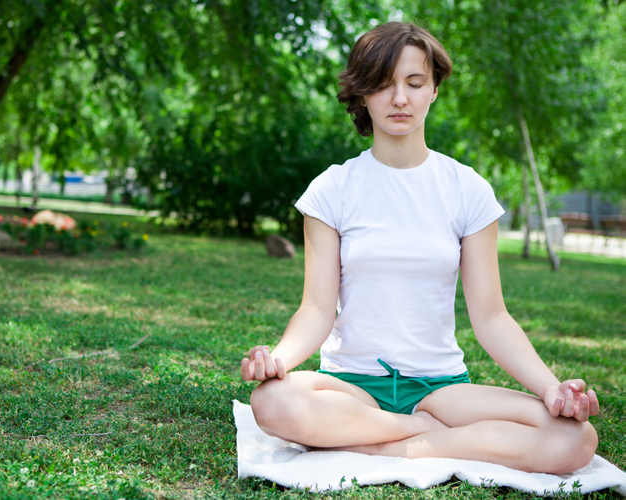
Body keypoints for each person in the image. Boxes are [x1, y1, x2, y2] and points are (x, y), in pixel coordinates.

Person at [240, 21, 599, 475]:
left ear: (433, 89)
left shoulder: (467, 189)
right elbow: (316, 308)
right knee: (272, 401)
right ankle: (419, 434)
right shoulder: (332, 189)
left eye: (414, 82)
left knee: (574, 438)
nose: (399, 99)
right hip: (352, 387)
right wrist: (279, 360)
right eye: (383, 85)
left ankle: (369, 445)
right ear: (362, 94)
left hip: (442, 389)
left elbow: (491, 317)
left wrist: (552, 390)